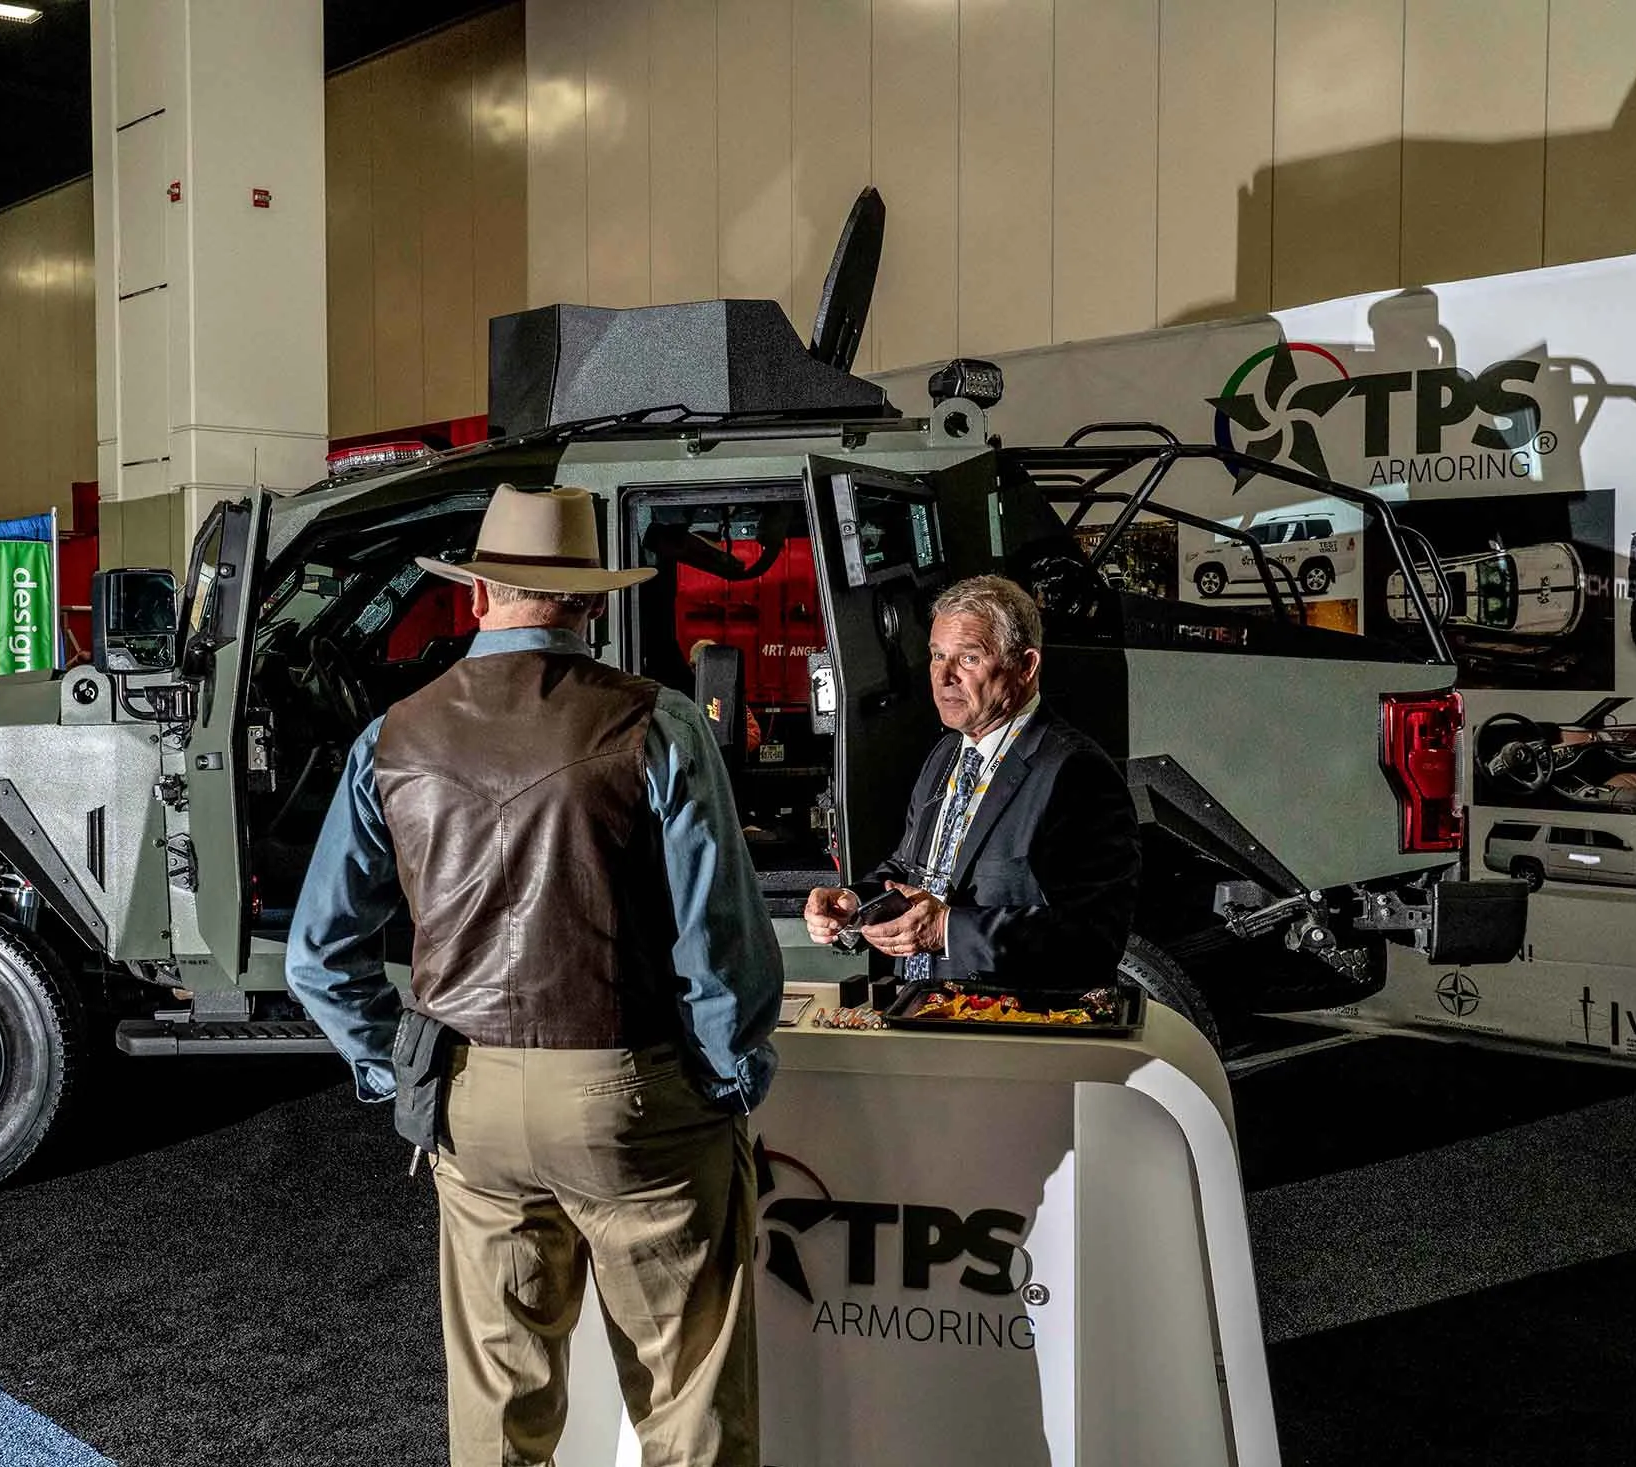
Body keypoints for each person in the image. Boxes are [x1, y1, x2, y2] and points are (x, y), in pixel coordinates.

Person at [288, 484, 782, 1467]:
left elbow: (319, 954)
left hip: (468, 1098)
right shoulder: (657, 724)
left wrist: (399, 1069)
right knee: (686, 1399)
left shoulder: (392, 737)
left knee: (500, 1410)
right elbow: (720, 940)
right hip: (627, 1094)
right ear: (592, 602)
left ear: (477, 594)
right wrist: (728, 1071)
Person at [803, 574, 1139, 982]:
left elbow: (1094, 939)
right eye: (937, 656)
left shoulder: (1076, 773)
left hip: (1009, 1016)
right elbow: (910, 868)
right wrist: (854, 901)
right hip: (922, 1007)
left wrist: (947, 931)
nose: (943, 677)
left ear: (1026, 666)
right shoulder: (946, 754)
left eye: (968, 659)